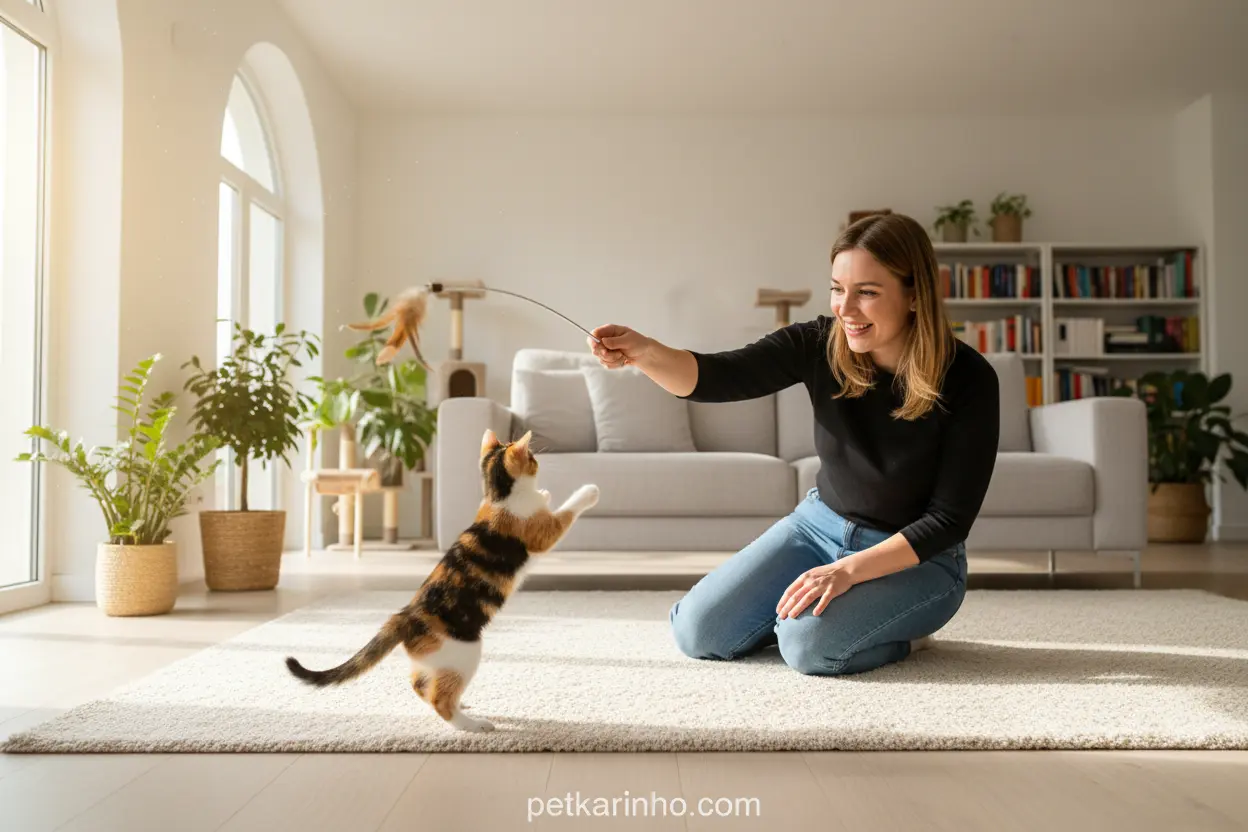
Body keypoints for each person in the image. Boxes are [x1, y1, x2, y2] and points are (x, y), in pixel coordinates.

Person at [586, 212, 1000, 676]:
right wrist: (646, 352)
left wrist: (847, 573)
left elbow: (949, 520)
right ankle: (805, 618)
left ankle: (903, 637)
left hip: (916, 560)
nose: (846, 308)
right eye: (838, 288)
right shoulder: (818, 342)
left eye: (867, 292)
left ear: (914, 295)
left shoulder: (970, 378)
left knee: (809, 646)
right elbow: (717, 376)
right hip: (817, 528)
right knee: (697, 631)